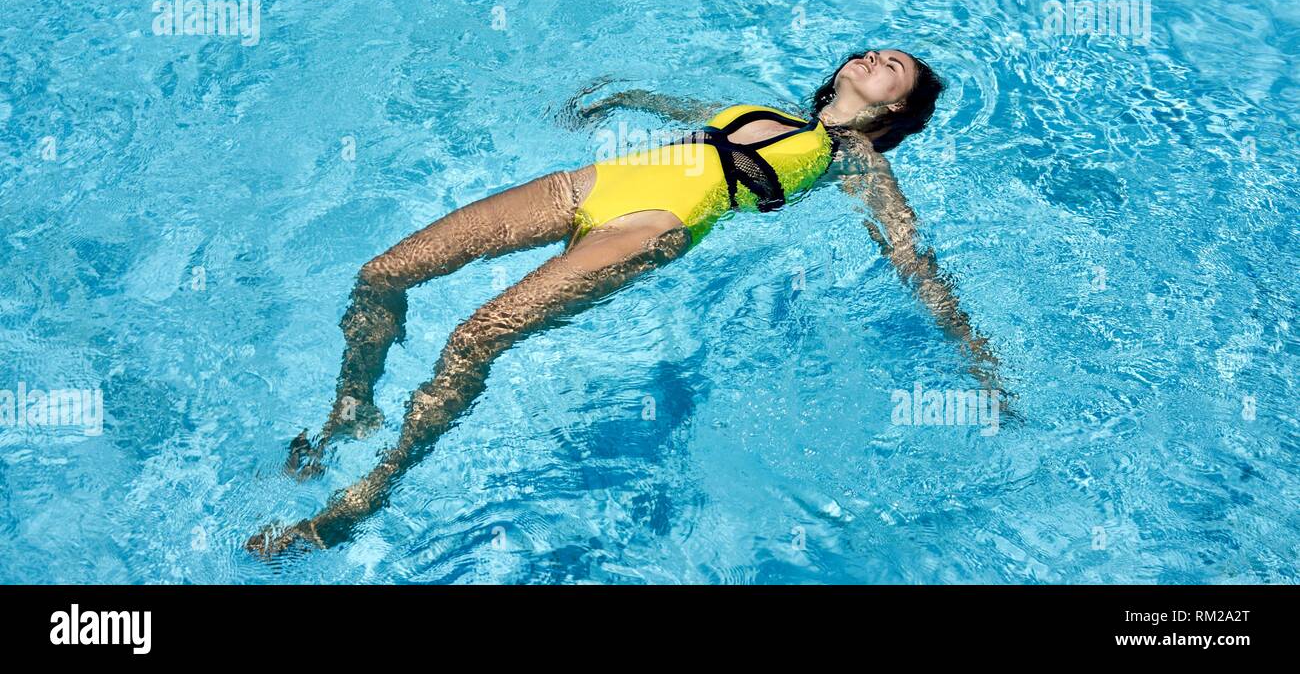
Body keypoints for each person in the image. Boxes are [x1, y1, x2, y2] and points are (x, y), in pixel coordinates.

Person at [245, 49, 999, 557]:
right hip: (595, 184)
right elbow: (686, 111)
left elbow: (911, 256)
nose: (876, 58)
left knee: (476, 337)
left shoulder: (855, 159)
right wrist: (622, 97)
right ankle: (351, 410)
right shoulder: (764, 110)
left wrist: (973, 353)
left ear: (897, 111)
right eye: (874, 50)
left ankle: (365, 495)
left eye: (894, 68)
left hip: (649, 227)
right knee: (384, 272)